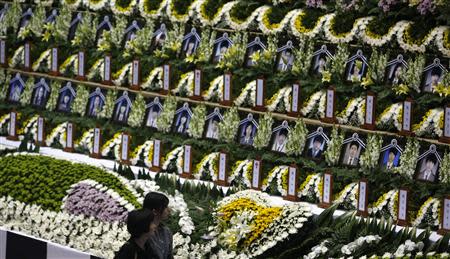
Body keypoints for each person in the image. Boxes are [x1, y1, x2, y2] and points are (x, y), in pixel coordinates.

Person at [144, 192, 173, 259]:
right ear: (155, 211)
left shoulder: (166, 231)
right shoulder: (143, 232)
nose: (169, 210)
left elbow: (169, 255)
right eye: (165, 207)